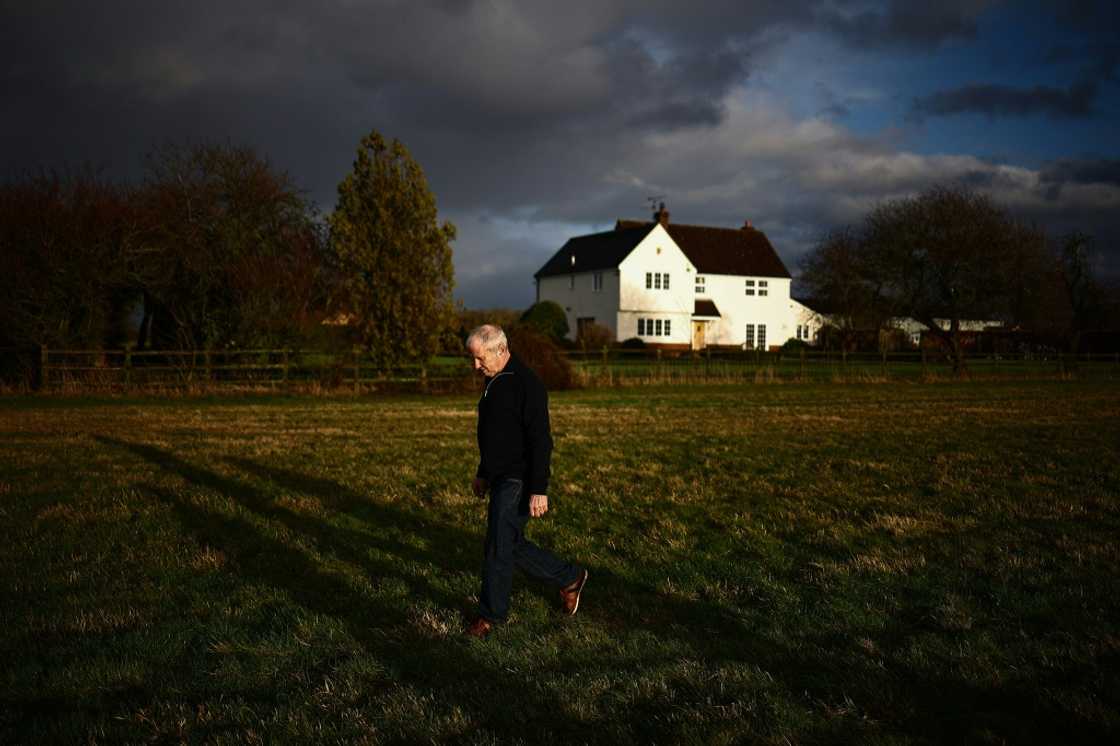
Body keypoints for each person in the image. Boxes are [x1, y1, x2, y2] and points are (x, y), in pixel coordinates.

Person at [463, 324, 588, 639]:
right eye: (473, 359)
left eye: (480, 359)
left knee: (498, 544)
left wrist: (538, 489)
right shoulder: (495, 381)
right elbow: (494, 437)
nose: (476, 366)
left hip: (520, 477)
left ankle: (490, 616)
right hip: (501, 474)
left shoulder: (526, 384)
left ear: (501, 350)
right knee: (509, 542)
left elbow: (540, 441)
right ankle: (569, 577)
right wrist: (483, 472)